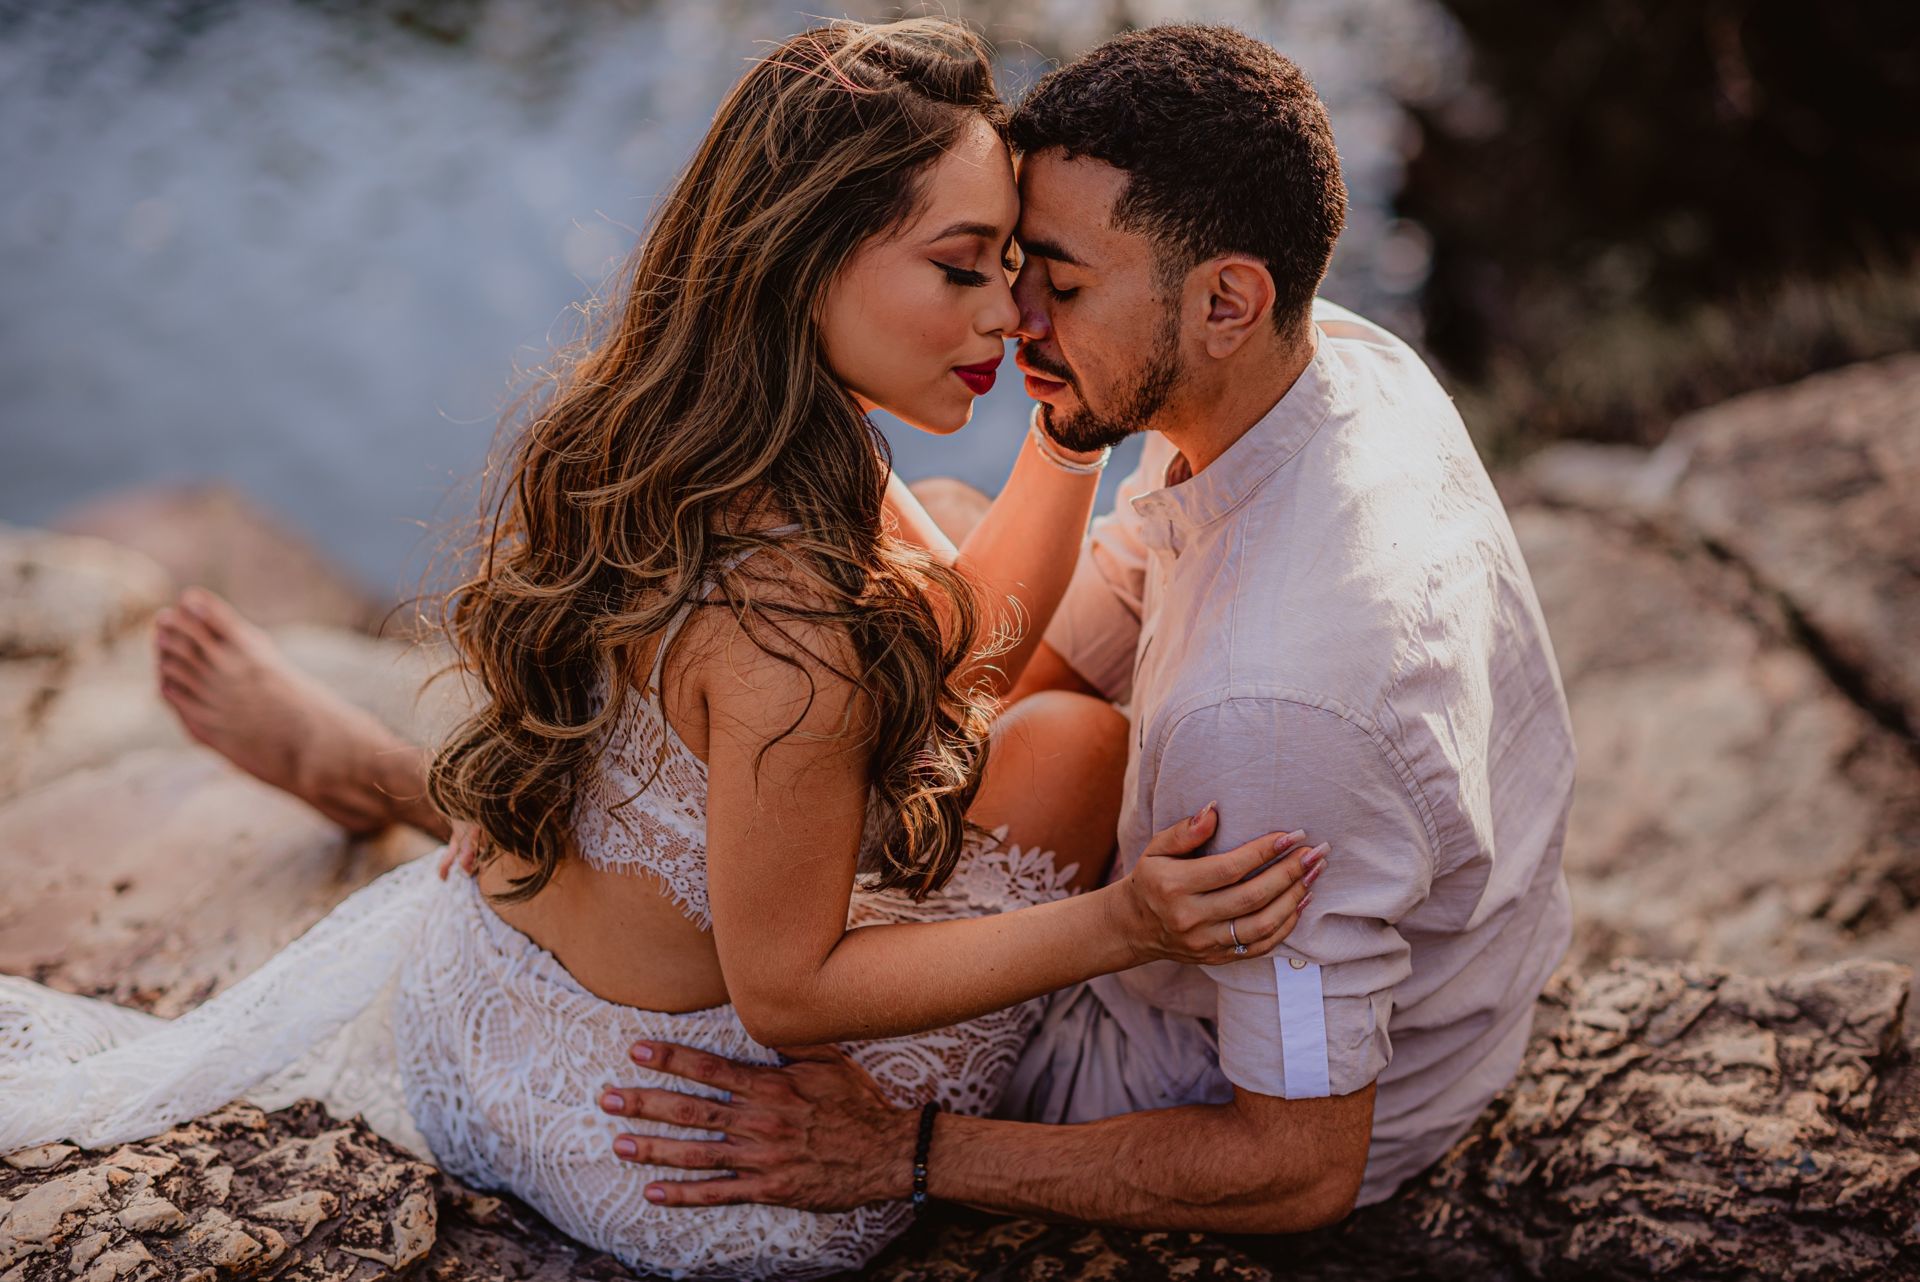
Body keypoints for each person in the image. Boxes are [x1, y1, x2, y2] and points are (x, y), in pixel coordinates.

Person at [0, 20, 1322, 1280]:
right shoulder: (795, 633)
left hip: (472, 1014)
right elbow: (791, 991)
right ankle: (375, 779)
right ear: (808, 258)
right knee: (1076, 746)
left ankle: (379, 777)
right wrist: (1119, 921)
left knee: (951, 577)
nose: (1009, 318)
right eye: (964, 265)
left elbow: (957, 638)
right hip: (677, 1154)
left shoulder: (668, 427)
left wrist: (1064, 431)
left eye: (1022, 274)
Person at [590, 24, 1577, 1231]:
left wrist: (902, 1151)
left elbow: (1301, 1162)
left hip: (1219, 1081)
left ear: (1227, 298)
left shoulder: (1271, 714)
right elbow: (1002, 663)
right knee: (944, 557)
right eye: (1003, 266)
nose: (1014, 318)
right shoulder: (1325, 376)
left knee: (1005, 693)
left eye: (1055, 283)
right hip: (1447, 974)